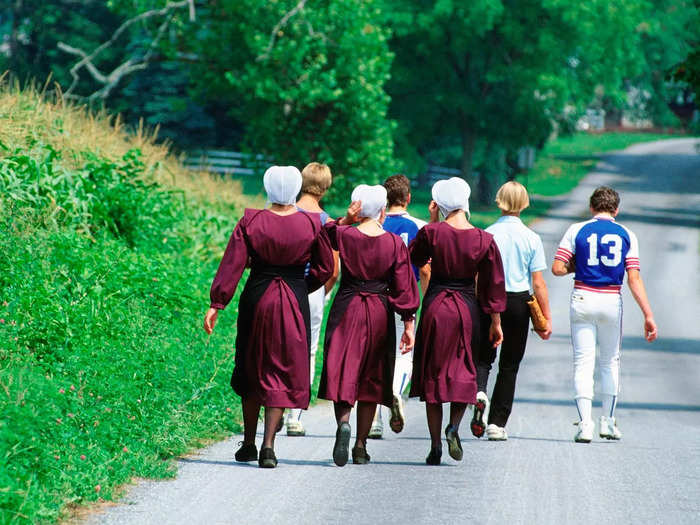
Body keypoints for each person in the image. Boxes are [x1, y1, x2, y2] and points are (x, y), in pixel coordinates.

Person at [203, 166, 334, 468]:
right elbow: (326, 268)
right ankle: (268, 446)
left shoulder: (252, 221)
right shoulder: (311, 224)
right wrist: (301, 286)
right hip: (293, 297)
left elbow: (232, 264)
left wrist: (216, 303)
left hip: (258, 297)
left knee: (253, 365)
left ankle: (248, 442)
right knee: (282, 367)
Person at [318, 184, 420, 466]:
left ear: (357, 208)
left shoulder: (345, 235)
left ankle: (343, 424)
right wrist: (409, 324)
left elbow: (322, 234)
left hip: (347, 305)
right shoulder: (394, 243)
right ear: (383, 211)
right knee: (372, 376)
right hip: (378, 308)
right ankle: (361, 445)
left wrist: (346, 220)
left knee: (343, 369)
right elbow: (404, 287)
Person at [409, 177, 506, 465]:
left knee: (433, 375)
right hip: (467, 308)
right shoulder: (484, 239)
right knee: (464, 372)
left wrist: (431, 220)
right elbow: (493, 285)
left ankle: (436, 444)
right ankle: (454, 427)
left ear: (440, 203)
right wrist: (495, 322)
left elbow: (415, 256)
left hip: (437, 305)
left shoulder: (432, 232)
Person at [552, 186, 657, 443]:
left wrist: (578, 265)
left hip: (583, 297)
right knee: (610, 362)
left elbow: (556, 268)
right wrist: (648, 314)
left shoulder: (577, 230)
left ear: (591, 207)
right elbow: (634, 278)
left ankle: (584, 424)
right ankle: (608, 422)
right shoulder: (627, 234)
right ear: (616, 210)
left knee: (583, 362)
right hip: (611, 299)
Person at [472, 181, 552, 441]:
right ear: (525, 204)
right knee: (510, 365)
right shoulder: (531, 238)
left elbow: (477, 277)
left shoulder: (487, 234)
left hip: (488, 300)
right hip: (519, 303)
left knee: (484, 357)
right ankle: (497, 423)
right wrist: (546, 318)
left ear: (499, 201)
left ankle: (480, 392)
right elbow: (538, 282)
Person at [368, 174, 430, 439]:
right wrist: (423, 300)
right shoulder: (418, 226)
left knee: (373, 357)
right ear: (408, 198)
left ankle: (373, 422)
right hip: (405, 296)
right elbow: (425, 269)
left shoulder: (374, 225)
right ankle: (395, 390)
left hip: (375, 295)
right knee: (404, 354)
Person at [285, 162, 340, 437]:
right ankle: (294, 415)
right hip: (312, 290)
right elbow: (333, 268)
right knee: (307, 349)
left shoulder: (286, 211)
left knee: (279, 345)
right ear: (326, 187)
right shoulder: (327, 222)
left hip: (281, 285)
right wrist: (323, 291)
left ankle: (273, 399)